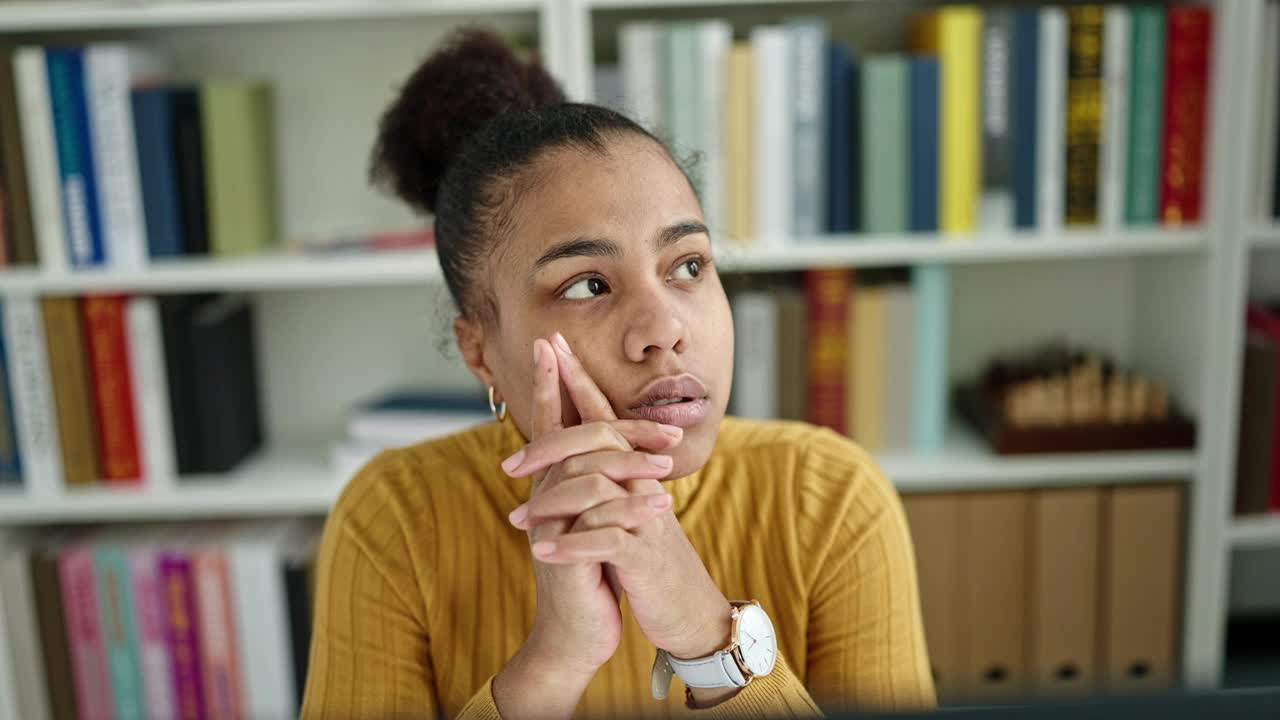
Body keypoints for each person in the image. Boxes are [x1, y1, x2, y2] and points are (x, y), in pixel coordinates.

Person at [300, 28, 936, 719]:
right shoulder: (393, 519)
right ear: (481, 349)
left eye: (688, 266)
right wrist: (556, 657)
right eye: (586, 286)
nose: (665, 330)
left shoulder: (830, 499)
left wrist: (703, 633)